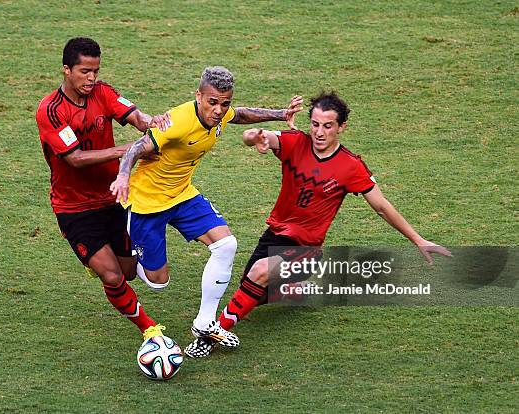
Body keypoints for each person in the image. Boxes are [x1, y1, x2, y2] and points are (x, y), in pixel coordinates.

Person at [188, 91, 452, 357]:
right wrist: (254, 136)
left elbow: (382, 207)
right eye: (315, 124)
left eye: (327, 126)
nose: (320, 132)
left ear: (341, 127)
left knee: (259, 272)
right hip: (274, 236)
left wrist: (418, 240)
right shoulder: (296, 143)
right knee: (252, 290)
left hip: (306, 249)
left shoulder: (350, 166)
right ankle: (302, 291)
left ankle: (210, 337)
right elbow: (258, 137)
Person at [109, 66, 303, 357]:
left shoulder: (222, 112)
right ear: (198, 95)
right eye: (212, 102)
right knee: (157, 281)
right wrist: (124, 175)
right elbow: (135, 148)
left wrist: (280, 114)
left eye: (223, 102)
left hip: (182, 194)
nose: (218, 110)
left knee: (226, 244)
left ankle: (204, 322)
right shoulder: (177, 122)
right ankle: (120, 250)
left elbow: (240, 114)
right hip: (147, 203)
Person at [35, 37, 171, 342]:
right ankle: (150, 330)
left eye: (95, 70)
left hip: (113, 198)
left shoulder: (103, 92)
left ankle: (98, 262)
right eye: (84, 71)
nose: (91, 78)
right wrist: (127, 149)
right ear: (66, 70)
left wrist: (154, 122)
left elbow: (135, 117)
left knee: (129, 272)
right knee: (112, 275)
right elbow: (75, 159)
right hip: (74, 208)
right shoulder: (51, 110)